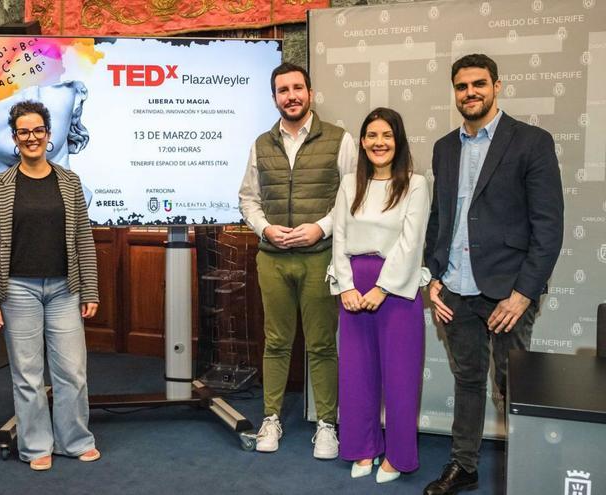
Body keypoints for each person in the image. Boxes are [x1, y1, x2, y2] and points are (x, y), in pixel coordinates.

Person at [423, 54, 563, 495]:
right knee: (467, 381)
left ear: (497, 86)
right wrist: (433, 274)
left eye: (479, 84)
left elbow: (548, 226)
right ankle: (463, 466)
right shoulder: (444, 147)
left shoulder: (531, 142)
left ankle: (529, 469)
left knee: (512, 386)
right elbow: (438, 217)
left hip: (508, 293)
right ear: (454, 91)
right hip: (456, 289)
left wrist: (523, 293)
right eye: (462, 86)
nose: (471, 93)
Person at [238, 62, 357, 456]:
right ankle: (270, 420)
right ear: (274, 97)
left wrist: (320, 227)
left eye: (297, 88)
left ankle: (327, 424)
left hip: (320, 258)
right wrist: (264, 229)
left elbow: (352, 198)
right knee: (275, 342)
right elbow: (248, 199)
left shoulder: (340, 140)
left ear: (310, 92)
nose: (291, 96)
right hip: (273, 258)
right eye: (282, 90)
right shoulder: (261, 144)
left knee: (322, 345)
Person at [0, 100, 100, 471]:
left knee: (72, 372)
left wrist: (90, 290)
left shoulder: (69, 181)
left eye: (38, 130)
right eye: (23, 131)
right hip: (17, 290)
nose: (31, 137)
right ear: (15, 138)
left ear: (49, 136)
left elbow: (83, 236)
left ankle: (74, 440)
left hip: (65, 288)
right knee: (27, 375)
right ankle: (35, 446)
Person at [328, 108, 429, 483]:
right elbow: (338, 237)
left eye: (386, 135)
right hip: (354, 284)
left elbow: (411, 240)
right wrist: (347, 286)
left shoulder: (415, 183)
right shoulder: (349, 184)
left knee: (400, 376)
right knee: (356, 375)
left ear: (398, 140)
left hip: (396, 288)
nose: (379, 142)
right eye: (371, 135)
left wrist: (382, 288)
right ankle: (362, 447)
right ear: (362, 141)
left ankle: (398, 456)